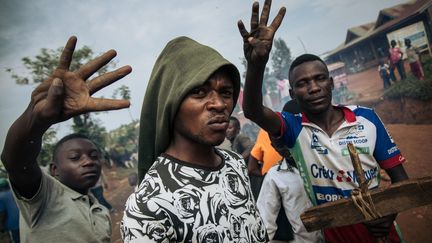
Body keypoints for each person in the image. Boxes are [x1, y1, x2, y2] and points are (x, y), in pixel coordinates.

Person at [238, 1, 409, 242]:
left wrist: (389, 212)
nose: (313, 88)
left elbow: (401, 180)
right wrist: (256, 63)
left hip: (382, 237)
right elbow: (253, 111)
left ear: (331, 83)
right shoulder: (294, 128)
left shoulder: (366, 118)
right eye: (303, 83)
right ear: (292, 93)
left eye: (319, 79)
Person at [121, 36, 268, 242]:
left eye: (226, 92)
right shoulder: (148, 206)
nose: (219, 104)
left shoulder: (234, 163)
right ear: (171, 101)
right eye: (199, 91)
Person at [0, 36, 132, 242]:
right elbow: (16, 161)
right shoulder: (44, 196)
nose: (88, 161)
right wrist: (36, 119)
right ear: (54, 169)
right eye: (75, 157)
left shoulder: (100, 210)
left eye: (94, 156)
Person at [0, 178, 20, 243]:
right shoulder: (14, 192)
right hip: (22, 220)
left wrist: (1, 225)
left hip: (13, 224)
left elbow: (2, 213)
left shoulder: (1, 197)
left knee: (16, 240)